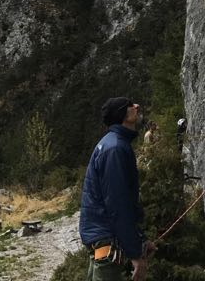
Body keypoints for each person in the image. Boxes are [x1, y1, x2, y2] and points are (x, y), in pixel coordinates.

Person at [79, 97, 154, 281]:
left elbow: (122, 202)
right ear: (122, 115)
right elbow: (118, 205)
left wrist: (140, 240)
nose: (136, 106)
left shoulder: (113, 143)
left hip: (102, 237)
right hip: (107, 238)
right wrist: (136, 254)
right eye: (130, 105)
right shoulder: (115, 149)